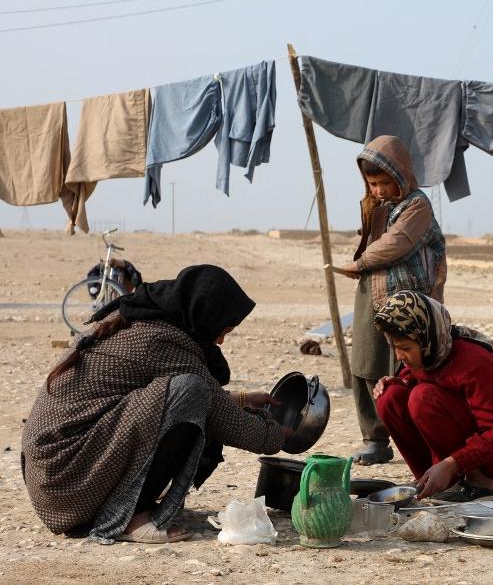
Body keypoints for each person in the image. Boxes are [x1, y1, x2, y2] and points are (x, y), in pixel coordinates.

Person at [21, 265, 290, 544]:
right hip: (68, 482)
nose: (220, 340)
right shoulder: (163, 340)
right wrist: (279, 433)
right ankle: (132, 518)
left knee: (191, 392)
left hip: (52, 478)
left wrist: (244, 399)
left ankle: (127, 501)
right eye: (224, 331)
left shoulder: (139, 316)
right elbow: (221, 416)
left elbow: (165, 396)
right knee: (191, 390)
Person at [334, 135, 446, 466]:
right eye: (373, 183)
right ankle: (374, 438)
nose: (380, 189)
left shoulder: (417, 205)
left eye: (385, 182)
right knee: (366, 363)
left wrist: (359, 263)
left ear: (401, 175)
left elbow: (397, 243)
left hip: (409, 299)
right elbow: (373, 242)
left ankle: (419, 438)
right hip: (373, 292)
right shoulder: (378, 206)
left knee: (410, 366)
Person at [372, 290, 493, 501]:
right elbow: (411, 381)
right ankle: (432, 480)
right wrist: (394, 383)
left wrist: (451, 463)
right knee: (389, 396)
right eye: (395, 348)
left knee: (422, 397)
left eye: (406, 348)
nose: (400, 356)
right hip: (458, 436)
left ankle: (478, 482)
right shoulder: (428, 354)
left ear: (426, 337)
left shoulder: (475, 362)